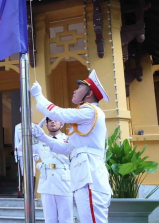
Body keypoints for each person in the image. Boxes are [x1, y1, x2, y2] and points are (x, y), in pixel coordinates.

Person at [29, 70, 111, 223]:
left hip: (90, 177)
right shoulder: (86, 115)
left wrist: (38, 96)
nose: (75, 90)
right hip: (83, 178)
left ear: (88, 93)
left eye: (79, 87)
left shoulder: (90, 111)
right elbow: (68, 149)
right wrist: (43, 138)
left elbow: (59, 113)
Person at [34, 117, 73, 223]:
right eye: (49, 120)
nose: (52, 122)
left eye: (55, 120)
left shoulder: (68, 139)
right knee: (49, 219)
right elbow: (21, 147)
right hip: (47, 183)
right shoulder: (40, 141)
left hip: (64, 181)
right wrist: (38, 127)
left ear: (62, 124)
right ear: (46, 124)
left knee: (66, 218)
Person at [14, 121, 38, 198]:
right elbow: (16, 141)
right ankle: (24, 192)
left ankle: (31, 192)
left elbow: (36, 140)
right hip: (21, 153)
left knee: (33, 172)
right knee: (23, 173)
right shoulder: (18, 126)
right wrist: (16, 154)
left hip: (32, 152)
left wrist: (36, 153)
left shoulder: (34, 126)